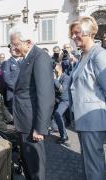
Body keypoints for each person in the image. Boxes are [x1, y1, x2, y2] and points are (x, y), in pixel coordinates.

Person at [9, 24, 55, 180]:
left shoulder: (40, 57)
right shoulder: (27, 57)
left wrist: (40, 128)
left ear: (28, 42)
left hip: (31, 125)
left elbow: (46, 95)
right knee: (28, 165)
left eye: (16, 44)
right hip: (24, 122)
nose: (13, 48)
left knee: (35, 169)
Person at [69, 16, 106, 180]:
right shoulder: (83, 55)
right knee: (87, 163)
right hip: (83, 120)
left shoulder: (99, 55)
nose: (73, 36)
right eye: (72, 33)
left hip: (94, 120)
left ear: (89, 33)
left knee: (94, 165)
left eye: (77, 33)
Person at [2, 44, 21, 114]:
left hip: (24, 93)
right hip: (13, 93)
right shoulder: (7, 63)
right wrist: (18, 88)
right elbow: (7, 79)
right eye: (13, 50)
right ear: (10, 51)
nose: (16, 51)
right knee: (15, 116)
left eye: (17, 49)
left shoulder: (24, 62)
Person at [53, 63, 70, 143]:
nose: (54, 72)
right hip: (57, 100)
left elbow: (62, 90)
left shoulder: (66, 78)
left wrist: (55, 79)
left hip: (65, 100)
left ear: (60, 70)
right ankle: (55, 127)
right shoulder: (54, 77)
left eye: (56, 70)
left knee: (58, 113)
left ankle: (64, 136)